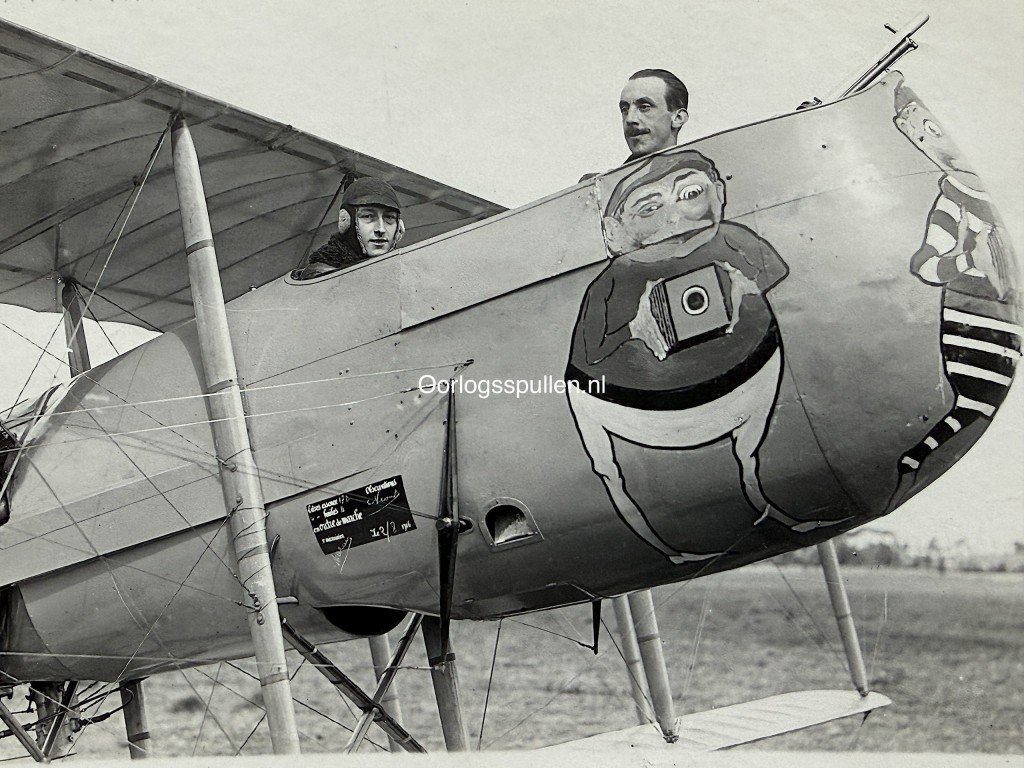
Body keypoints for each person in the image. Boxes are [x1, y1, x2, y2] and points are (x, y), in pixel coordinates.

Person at [566, 150, 845, 564]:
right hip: (633, 408)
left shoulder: (732, 239)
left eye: (690, 193)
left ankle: (765, 506)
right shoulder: (610, 282)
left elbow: (775, 272)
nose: (676, 218)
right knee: (609, 470)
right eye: (650, 208)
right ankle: (663, 549)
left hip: (746, 379)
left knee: (749, 457)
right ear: (617, 231)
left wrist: (741, 286)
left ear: (718, 192)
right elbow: (588, 353)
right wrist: (635, 328)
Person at [887, 84, 1019, 509]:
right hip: (970, 320)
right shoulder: (950, 203)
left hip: (1001, 323)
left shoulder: (992, 195)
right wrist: (967, 259)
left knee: (972, 407)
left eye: (934, 129)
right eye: (921, 134)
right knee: (971, 404)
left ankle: (917, 456)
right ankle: (915, 457)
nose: (934, 140)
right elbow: (925, 264)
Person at [579, 69, 690, 183]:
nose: (630, 119)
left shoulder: (700, 178)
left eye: (644, 107)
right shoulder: (600, 186)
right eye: (625, 109)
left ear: (678, 118)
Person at [294, 177, 405, 279]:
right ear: (346, 221)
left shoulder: (401, 273)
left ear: (399, 228)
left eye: (389, 218)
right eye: (368, 216)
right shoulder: (322, 276)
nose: (381, 229)